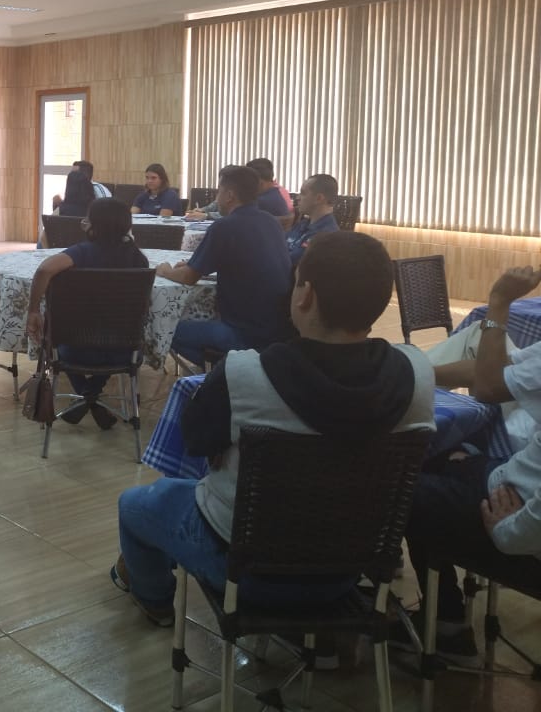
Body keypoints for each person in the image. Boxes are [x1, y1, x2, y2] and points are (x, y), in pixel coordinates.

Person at [115, 231, 436, 626]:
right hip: (353, 568)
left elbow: (197, 443)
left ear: (305, 295)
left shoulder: (243, 373)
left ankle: (157, 602)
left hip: (246, 569)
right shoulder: (418, 374)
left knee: (135, 504)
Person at [397, 265, 541, 665]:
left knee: (405, 484)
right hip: (510, 479)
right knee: (445, 453)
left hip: (518, 524)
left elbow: (487, 386)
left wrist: (499, 304)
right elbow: (499, 370)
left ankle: (444, 625)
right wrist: (410, 375)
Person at [157, 165, 293, 367]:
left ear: (229, 195)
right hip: (278, 330)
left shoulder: (225, 226)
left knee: (163, 330)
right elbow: (243, 260)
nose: (217, 197)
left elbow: (188, 277)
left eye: (219, 192)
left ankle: (220, 371)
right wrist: (195, 263)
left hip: (242, 333)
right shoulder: (271, 222)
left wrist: (165, 270)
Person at [27, 198, 149, 409]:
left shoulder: (82, 252)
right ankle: (91, 394)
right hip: (124, 351)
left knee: (54, 332)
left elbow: (45, 270)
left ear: (94, 225)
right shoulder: (139, 260)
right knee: (111, 339)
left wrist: (33, 309)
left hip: (75, 349)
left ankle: (86, 395)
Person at [286, 173, 340, 268]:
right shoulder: (303, 223)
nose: (297, 198)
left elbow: (293, 263)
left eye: (303, 193)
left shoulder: (326, 235)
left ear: (318, 198)